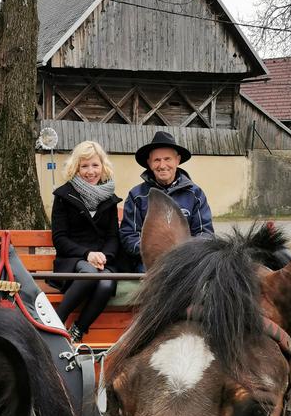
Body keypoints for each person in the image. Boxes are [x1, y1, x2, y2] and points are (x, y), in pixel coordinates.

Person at [51, 141, 123, 343]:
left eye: (95, 165)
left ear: (103, 166)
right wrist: (87, 255)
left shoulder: (109, 199)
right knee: (91, 275)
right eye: (84, 166)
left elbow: (112, 237)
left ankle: (77, 331)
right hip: (73, 260)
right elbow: (59, 238)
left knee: (107, 284)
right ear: (76, 168)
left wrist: (105, 257)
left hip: (102, 260)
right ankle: (56, 323)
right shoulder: (64, 196)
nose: (90, 171)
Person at [120, 130, 214, 270]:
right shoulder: (137, 196)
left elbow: (205, 234)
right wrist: (155, 251)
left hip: (186, 262)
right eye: (157, 160)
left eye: (167, 159)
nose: (162, 165)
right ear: (149, 163)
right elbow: (129, 235)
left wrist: (182, 253)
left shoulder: (195, 194)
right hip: (149, 263)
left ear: (177, 160)